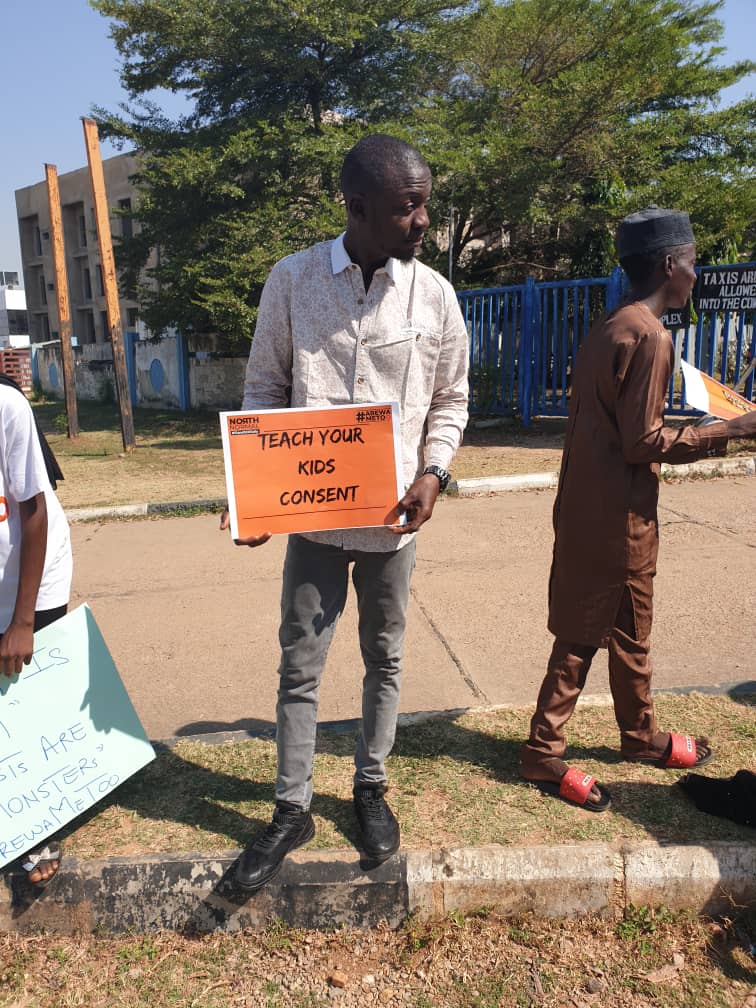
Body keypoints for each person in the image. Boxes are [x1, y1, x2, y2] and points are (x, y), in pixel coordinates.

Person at [223, 134, 469, 891]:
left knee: (385, 657)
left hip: (395, 525)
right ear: (358, 207)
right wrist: (254, 488)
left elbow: (452, 397)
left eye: (424, 202)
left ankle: (370, 785)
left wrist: (434, 473)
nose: (424, 219)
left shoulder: (433, 295)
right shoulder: (293, 281)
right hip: (314, 526)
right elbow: (265, 388)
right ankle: (291, 807)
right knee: (301, 665)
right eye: (409, 206)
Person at [520, 206, 756, 812]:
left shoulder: (612, 325)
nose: (697, 276)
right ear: (670, 264)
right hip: (621, 515)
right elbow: (642, 442)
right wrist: (730, 431)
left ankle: (640, 735)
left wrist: (701, 424)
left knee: (627, 628)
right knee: (585, 633)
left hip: (585, 504)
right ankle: (544, 752)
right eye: (694, 263)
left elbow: (624, 426)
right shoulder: (652, 336)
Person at [0, 376, 72, 881]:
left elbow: (34, 513)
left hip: (33, 574)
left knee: (31, 704)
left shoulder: (6, 405)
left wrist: (22, 621)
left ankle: (41, 824)